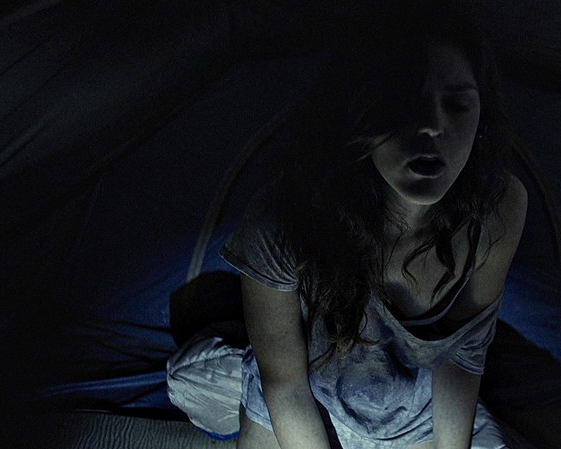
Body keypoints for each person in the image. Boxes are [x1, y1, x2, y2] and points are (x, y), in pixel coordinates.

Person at [221, 5, 528, 448]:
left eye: (458, 104)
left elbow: (464, 355)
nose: (432, 126)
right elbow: (286, 386)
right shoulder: (284, 217)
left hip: (414, 411)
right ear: (358, 111)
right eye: (402, 101)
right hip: (311, 399)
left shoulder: (497, 207)